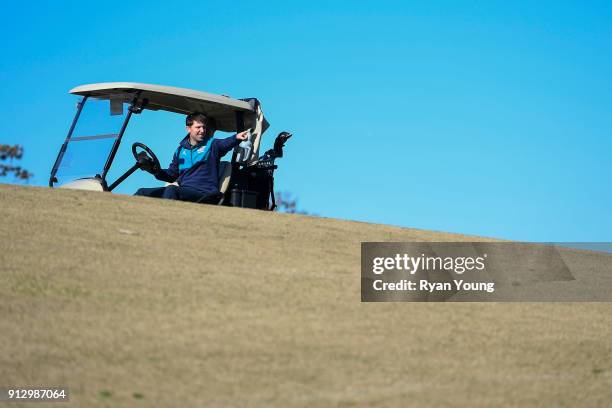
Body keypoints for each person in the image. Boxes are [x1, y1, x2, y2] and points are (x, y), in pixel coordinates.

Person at [135, 112, 248, 202]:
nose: (202, 131)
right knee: (142, 192)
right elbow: (171, 175)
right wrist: (155, 171)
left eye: (204, 127)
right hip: (184, 191)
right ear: (188, 129)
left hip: (205, 193)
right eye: (198, 127)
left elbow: (225, 143)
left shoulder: (212, 145)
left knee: (172, 190)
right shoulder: (180, 151)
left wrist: (237, 137)